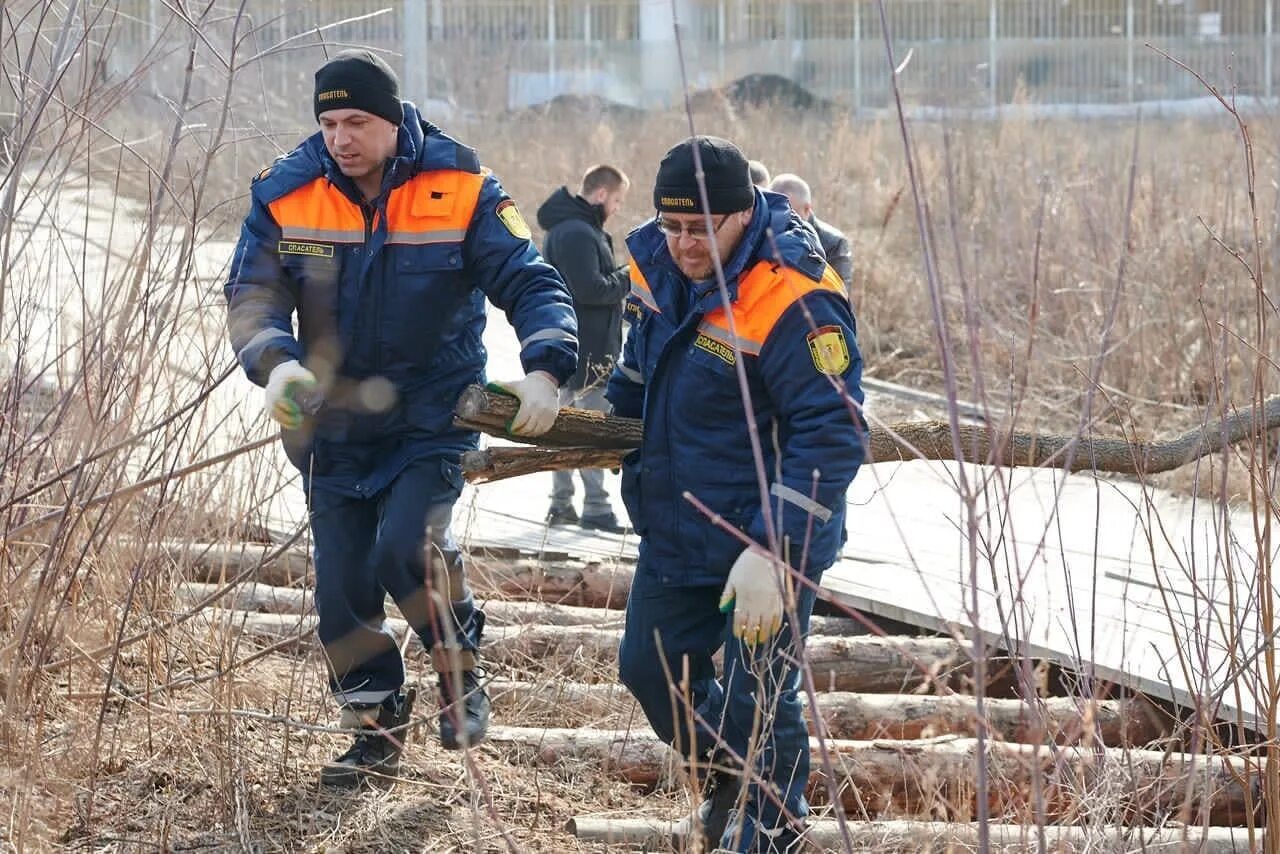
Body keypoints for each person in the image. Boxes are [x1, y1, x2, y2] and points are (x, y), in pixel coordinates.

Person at [223, 49, 577, 787]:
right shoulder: (287, 192)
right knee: (342, 592)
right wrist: (278, 364)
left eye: (356, 121)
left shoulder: (461, 185)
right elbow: (251, 297)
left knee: (403, 550)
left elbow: (529, 279)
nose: (340, 137)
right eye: (328, 121)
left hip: (429, 415)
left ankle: (459, 670)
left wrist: (547, 367)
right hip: (328, 424)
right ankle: (375, 732)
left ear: (391, 120)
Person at [609, 137, 865, 852]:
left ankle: (772, 825)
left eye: (701, 228)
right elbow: (640, 367)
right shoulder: (658, 264)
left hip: (766, 533)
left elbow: (834, 431)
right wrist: (600, 418)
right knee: (648, 666)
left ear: (743, 214)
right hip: (678, 520)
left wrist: (772, 548)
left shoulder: (793, 294)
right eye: (672, 226)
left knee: (759, 693)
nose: (684, 243)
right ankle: (728, 779)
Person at [536, 165, 631, 534]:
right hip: (586, 351)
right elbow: (590, 289)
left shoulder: (577, 228)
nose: (618, 207)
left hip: (574, 345)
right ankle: (594, 507)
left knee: (562, 428)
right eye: (618, 199)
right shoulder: (576, 232)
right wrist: (630, 275)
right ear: (603, 194)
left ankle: (563, 505)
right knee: (589, 430)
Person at [769, 173, 854, 298]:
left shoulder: (834, 243)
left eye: (789, 213)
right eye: (775, 211)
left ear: (807, 209)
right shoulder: (764, 234)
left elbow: (840, 295)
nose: (781, 218)